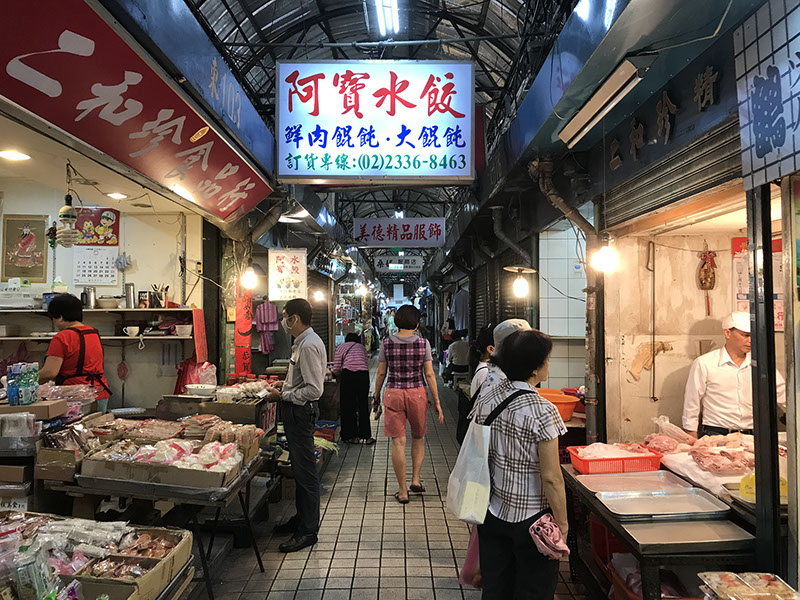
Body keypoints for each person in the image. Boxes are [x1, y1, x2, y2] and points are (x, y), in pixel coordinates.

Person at [470, 329, 568, 600]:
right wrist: (563, 524)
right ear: (535, 368)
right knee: (533, 592)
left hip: (492, 512)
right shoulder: (543, 410)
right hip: (532, 521)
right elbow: (551, 477)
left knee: (496, 589)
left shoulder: (488, 399)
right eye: (546, 360)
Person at [267, 298, 326, 552]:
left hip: (301, 413)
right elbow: (303, 381)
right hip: (296, 412)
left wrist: (283, 395)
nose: (283, 321)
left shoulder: (309, 345)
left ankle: (308, 531)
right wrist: (286, 385)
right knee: (300, 470)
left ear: (295, 318)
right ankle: (300, 519)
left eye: (285, 316)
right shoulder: (301, 342)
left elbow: (314, 390)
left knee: (306, 472)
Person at [373, 304, 443, 504]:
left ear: (396, 321)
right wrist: (437, 401)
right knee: (418, 437)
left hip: (393, 393)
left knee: (398, 442)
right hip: (417, 394)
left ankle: (403, 491)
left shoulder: (386, 343)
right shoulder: (423, 343)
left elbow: (381, 372)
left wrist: (376, 395)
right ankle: (415, 480)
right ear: (417, 322)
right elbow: (429, 374)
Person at [683, 311, 786, 439]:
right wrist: (691, 432)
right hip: (716, 434)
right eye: (745, 335)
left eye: (753, 335)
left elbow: (783, 394)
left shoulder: (762, 364)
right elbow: (692, 401)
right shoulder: (705, 363)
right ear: (727, 333)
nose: (751, 340)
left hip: (755, 435)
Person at [39, 294, 111, 412]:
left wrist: (26, 382)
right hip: (100, 392)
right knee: (98, 424)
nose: (55, 323)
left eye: (53, 318)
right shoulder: (93, 333)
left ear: (60, 317)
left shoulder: (62, 337)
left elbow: (49, 372)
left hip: (75, 396)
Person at [333, 333, 374, 445]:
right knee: (363, 405)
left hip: (349, 375)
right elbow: (364, 363)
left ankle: (352, 437)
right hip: (363, 376)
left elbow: (336, 368)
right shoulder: (362, 348)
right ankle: (367, 437)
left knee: (348, 406)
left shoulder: (341, 347)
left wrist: (334, 375)